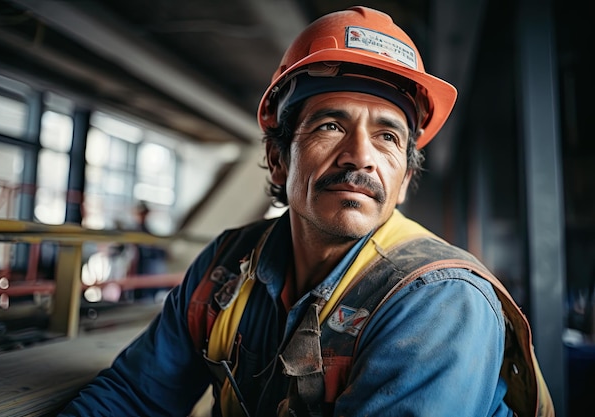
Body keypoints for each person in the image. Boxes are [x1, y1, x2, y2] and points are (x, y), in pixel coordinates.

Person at [59, 6, 553, 417]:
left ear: (403, 180)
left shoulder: (439, 302)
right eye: (331, 126)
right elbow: (134, 397)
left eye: (388, 137)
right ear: (278, 160)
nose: (360, 156)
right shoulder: (226, 268)